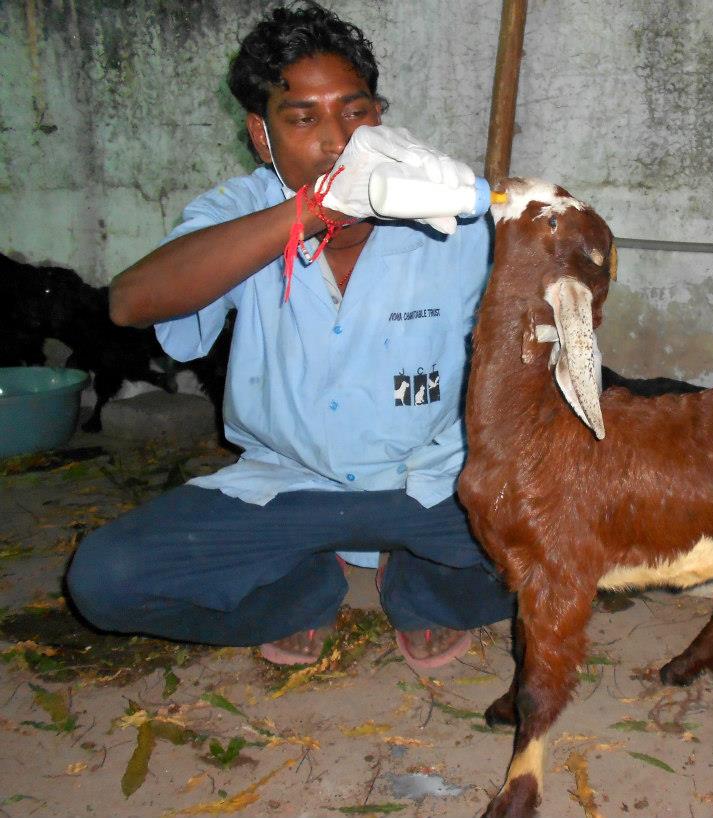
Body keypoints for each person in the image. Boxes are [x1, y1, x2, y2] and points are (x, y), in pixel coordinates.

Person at [66, 1, 514, 671]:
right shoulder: (242, 212)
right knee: (106, 580)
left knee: (584, 543)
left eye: (355, 113)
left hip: (436, 486)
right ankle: (303, 589)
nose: (338, 143)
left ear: (380, 116)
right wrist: (311, 211)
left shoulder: (446, 209)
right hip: (287, 487)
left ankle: (421, 585)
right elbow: (132, 301)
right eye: (303, 119)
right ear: (261, 133)